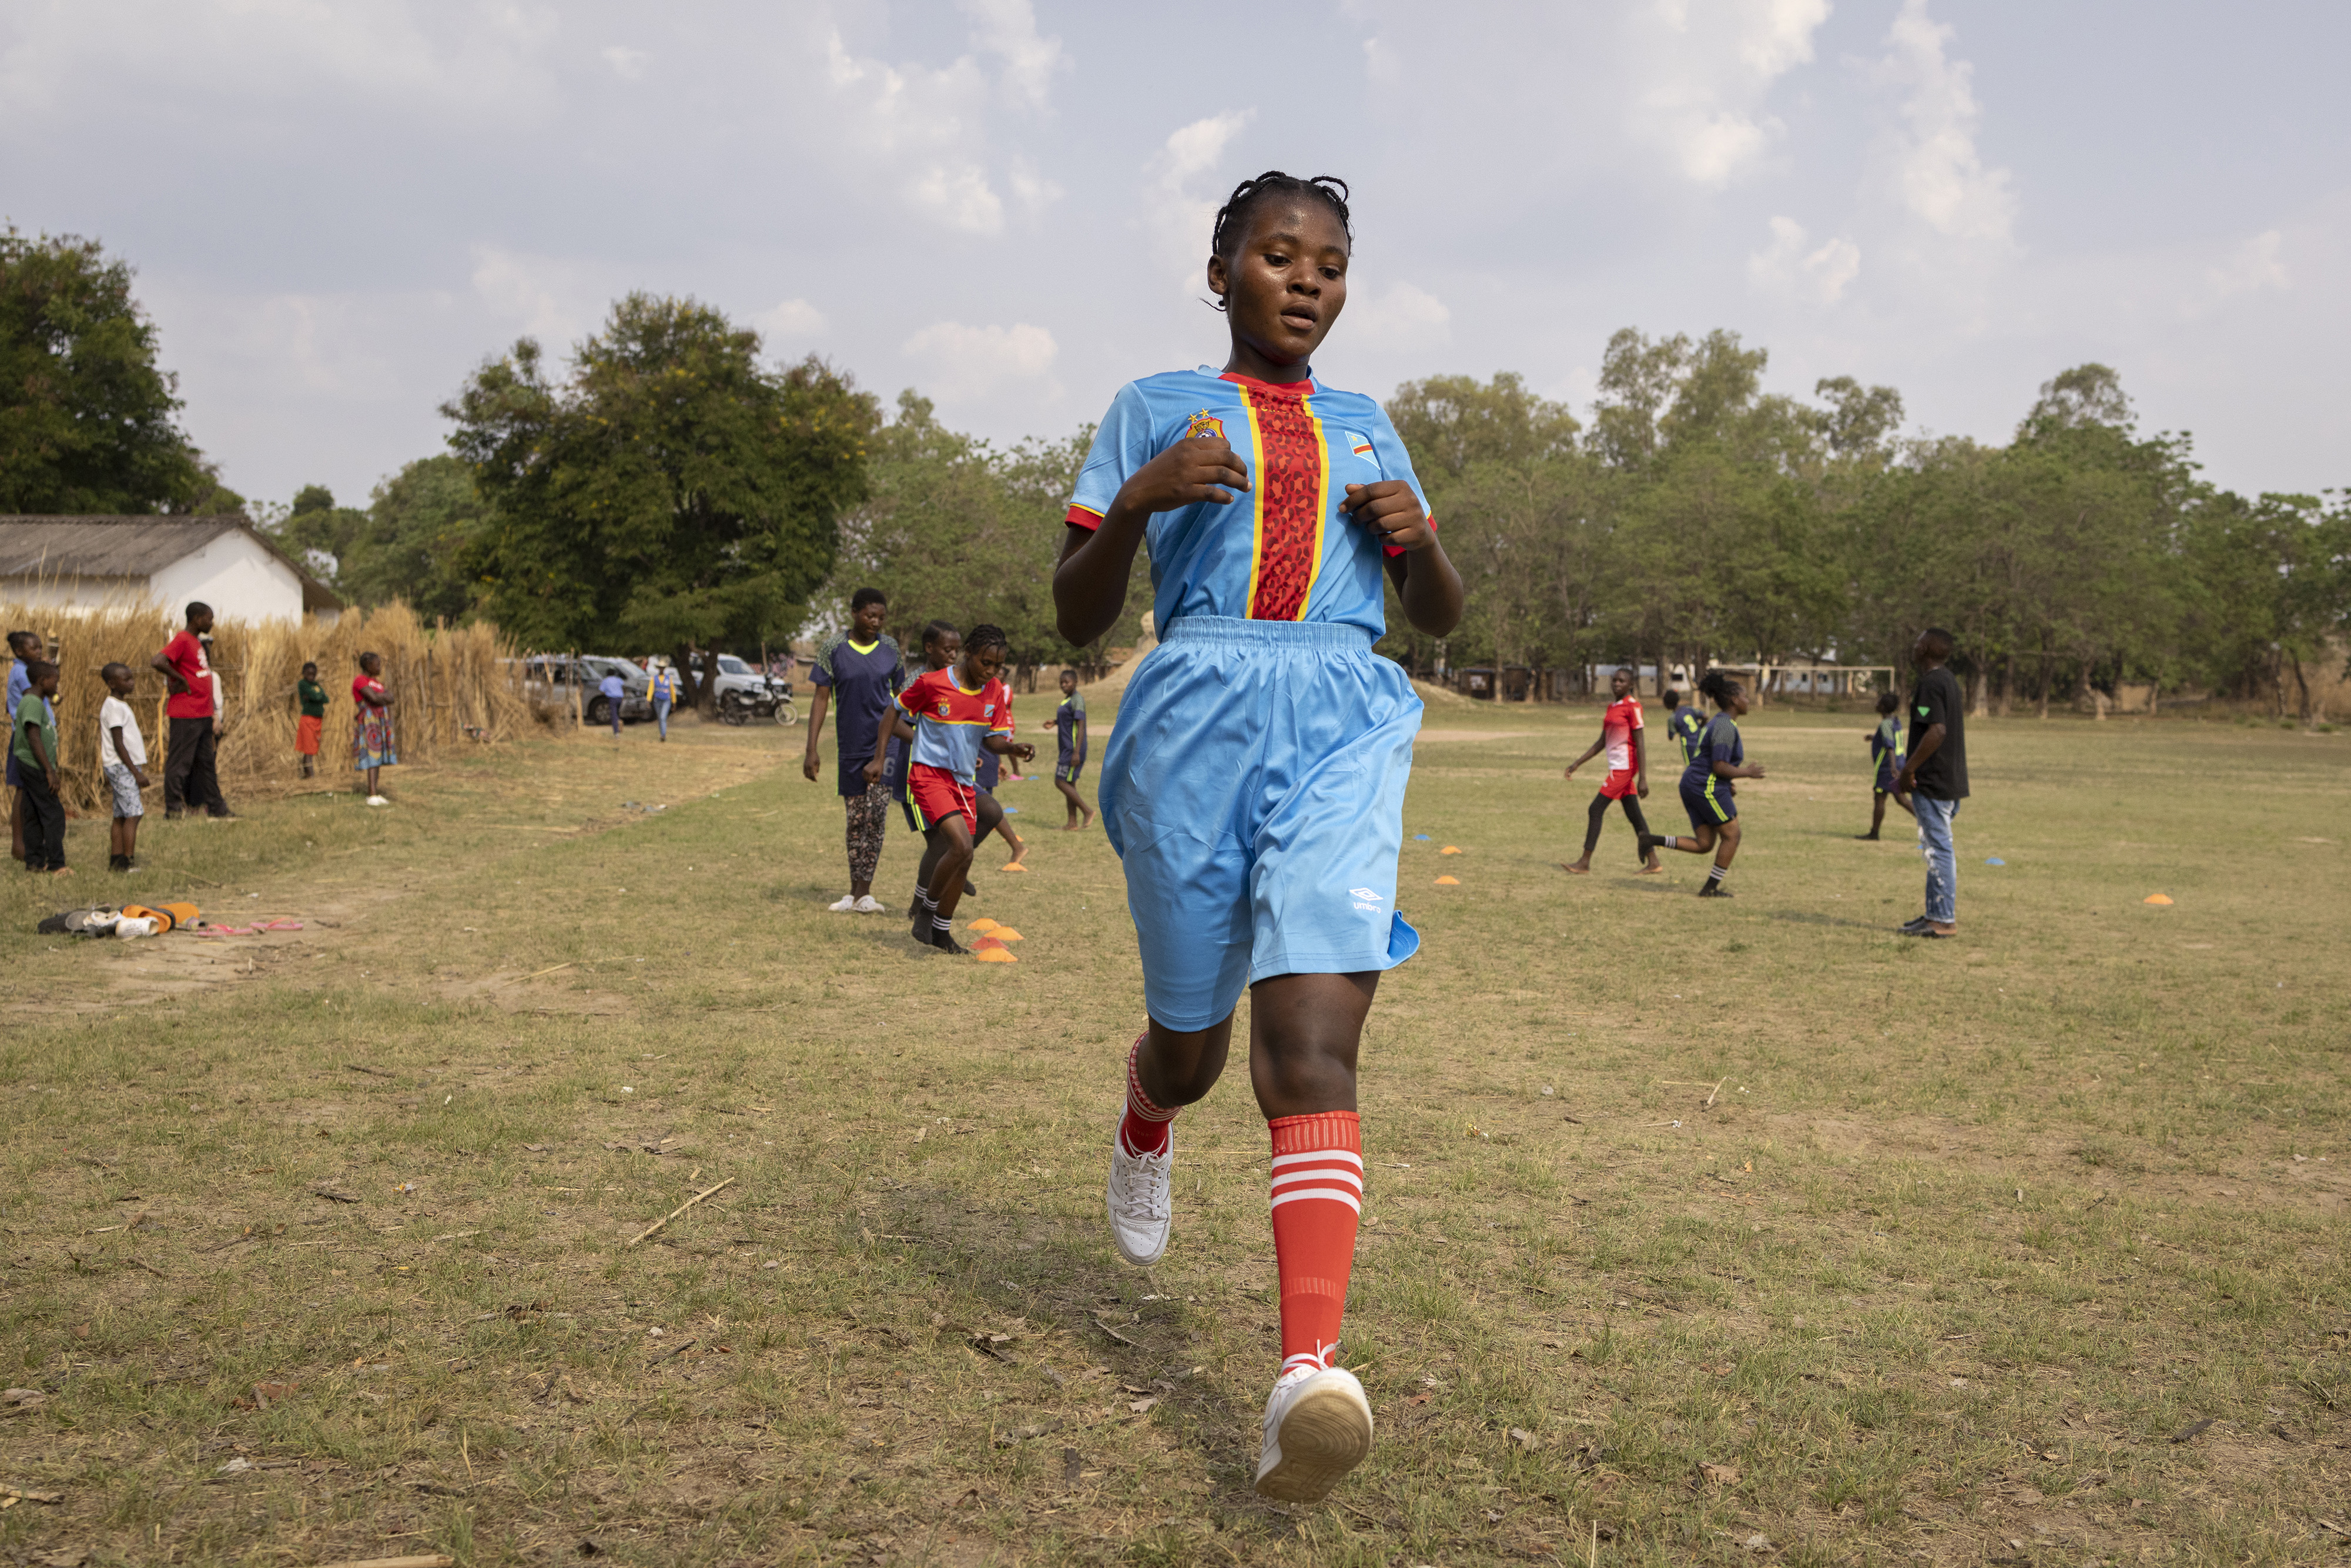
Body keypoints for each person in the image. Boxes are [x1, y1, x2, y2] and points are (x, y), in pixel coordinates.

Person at [1052, 172, 1464, 1504]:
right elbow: (1073, 614)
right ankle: (1143, 1114)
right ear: (1221, 269)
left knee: (1311, 1042)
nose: (1307, 281)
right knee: (1195, 1044)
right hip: (1191, 719)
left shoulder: (1369, 427)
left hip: (1344, 714)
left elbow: (1439, 618)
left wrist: (1418, 547)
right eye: (1279, 255)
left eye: (1329, 264)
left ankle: (1304, 1377)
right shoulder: (1150, 412)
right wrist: (1138, 502)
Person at [864, 623, 1033, 951]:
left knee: (964, 858)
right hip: (928, 776)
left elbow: (993, 739)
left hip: (962, 781)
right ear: (969, 652)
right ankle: (925, 912)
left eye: (998, 666)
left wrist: (1012, 748)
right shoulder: (932, 683)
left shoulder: (994, 691)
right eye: (986, 662)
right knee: (960, 847)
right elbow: (892, 712)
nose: (992, 671)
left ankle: (941, 932)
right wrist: (878, 758)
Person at [805, 588, 905, 913]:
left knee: (876, 816)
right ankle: (853, 892)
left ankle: (865, 892)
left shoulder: (891, 649)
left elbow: (902, 700)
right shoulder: (833, 648)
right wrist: (812, 749)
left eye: (880, 617)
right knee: (856, 819)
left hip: (885, 746)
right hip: (850, 746)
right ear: (854, 613)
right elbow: (821, 697)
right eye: (869, 615)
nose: (875, 622)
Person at [1641, 668, 1765, 897]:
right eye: (1745, 696)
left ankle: (1651, 840)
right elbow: (1718, 766)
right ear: (1735, 700)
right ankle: (1710, 890)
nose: (1748, 701)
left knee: (1705, 844)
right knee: (1733, 835)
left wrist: (1730, 782)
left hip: (1693, 783)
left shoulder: (1719, 722)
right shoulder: (1725, 725)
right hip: (1704, 786)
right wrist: (1746, 773)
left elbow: (1712, 762)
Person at [1895, 628, 1968, 937]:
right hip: (1949, 779)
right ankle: (1934, 914)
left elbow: (1936, 731)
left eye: (1917, 642)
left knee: (1939, 849)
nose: (1913, 647)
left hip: (1933, 780)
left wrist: (1908, 770)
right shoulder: (1949, 681)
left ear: (1925, 648)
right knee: (1933, 847)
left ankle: (1943, 919)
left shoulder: (1930, 683)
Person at [1559, 666, 1662, 876]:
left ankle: (1584, 862)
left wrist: (1643, 778)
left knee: (1595, 809)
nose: (1616, 684)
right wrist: (1578, 762)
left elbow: (1640, 743)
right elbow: (1602, 741)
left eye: (1622, 681)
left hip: (1625, 768)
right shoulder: (1612, 707)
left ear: (1631, 684)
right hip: (1617, 767)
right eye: (1614, 680)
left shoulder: (1633, 707)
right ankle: (1653, 862)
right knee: (1634, 815)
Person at [151, 602, 233, 819]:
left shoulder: (196, 642)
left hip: (202, 713)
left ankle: (217, 807)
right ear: (196, 619)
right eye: (209, 618)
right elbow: (158, 661)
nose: (212, 623)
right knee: (179, 763)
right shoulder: (182, 639)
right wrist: (180, 679)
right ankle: (173, 809)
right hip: (186, 713)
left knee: (206, 764)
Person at [12, 659, 67, 875]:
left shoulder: (33, 701)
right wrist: (49, 770)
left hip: (31, 765)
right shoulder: (33, 703)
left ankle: (35, 862)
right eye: (55, 682)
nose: (57, 686)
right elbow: (34, 737)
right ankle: (56, 864)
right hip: (35, 765)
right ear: (43, 681)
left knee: (34, 814)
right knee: (54, 815)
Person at [99, 662, 151, 872]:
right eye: (126, 679)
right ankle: (128, 862)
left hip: (122, 766)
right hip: (122, 767)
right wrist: (136, 773)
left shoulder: (119, 705)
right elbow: (118, 743)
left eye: (132, 678)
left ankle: (117, 861)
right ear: (112, 683)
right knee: (134, 814)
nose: (132, 682)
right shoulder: (113, 707)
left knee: (121, 815)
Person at [1859, 689, 1914, 841]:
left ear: (1883, 707)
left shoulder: (1885, 724)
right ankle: (1929, 827)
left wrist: (1893, 768)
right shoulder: (1895, 721)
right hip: (1898, 766)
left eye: (1879, 702)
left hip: (1888, 770)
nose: (1876, 704)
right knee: (1900, 799)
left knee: (1880, 798)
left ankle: (1874, 833)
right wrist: (1874, 737)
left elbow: (1890, 746)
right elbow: (1890, 738)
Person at [973, 724, 1029, 872]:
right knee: (984, 809)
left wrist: (999, 761)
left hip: (982, 760)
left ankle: (1017, 846)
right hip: (980, 759)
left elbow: (992, 736)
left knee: (986, 809)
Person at [6, 629, 39, 863]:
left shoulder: (26, 670)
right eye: (34, 648)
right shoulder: (20, 672)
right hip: (24, 736)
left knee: (29, 789)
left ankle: (30, 841)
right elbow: (33, 695)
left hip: (33, 734)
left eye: (40, 647)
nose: (39, 651)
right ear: (19, 651)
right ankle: (18, 844)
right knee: (21, 788)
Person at [1051, 668, 1094, 830]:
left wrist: (1076, 752)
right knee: (1070, 784)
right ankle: (1072, 823)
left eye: (1067, 682)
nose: (1063, 685)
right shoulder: (1067, 700)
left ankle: (1088, 811)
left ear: (1075, 682)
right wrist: (1055, 722)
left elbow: (1080, 726)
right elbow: (1068, 720)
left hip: (1073, 750)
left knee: (1060, 781)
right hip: (1066, 749)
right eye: (1061, 682)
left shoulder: (1077, 700)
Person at [352, 652, 397, 806]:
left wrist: (381, 697)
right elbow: (375, 698)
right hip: (369, 720)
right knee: (372, 754)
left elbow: (391, 698)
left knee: (378, 756)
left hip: (380, 720)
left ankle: (375, 793)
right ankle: (372, 794)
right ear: (368, 665)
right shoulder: (360, 680)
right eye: (377, 664)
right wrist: (381, 697)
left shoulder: (376, 682)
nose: (379, 667)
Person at [296, 661, 328, 778]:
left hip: (317, 720)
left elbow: (325, 698)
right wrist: (317, 696)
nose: (311, 677)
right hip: (308, 719)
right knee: (309, 748)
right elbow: (318, 696)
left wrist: (316, 696)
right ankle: (311, 775)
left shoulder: (316, 685)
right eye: (309, 674)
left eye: (313, 674)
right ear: (304, 673)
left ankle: (307, 774)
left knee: (311, 747)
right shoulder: (303, 684)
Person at [1659, 686, 1704, 770]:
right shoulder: (1689, 709)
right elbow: (1705, 716)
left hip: (1688, 744)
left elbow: (1671, 737)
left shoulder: (1672, 718)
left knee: (1691, 767)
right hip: (1701, 740)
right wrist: (1701, 727)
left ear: (1667, 704)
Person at [649, 661, 679, 742]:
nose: (661, 669)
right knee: (660, 718)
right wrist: (648, 700)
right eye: (660, 667)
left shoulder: (668, 678)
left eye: (663, 667)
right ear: (658, 668)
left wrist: (674, 702)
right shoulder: (654, 678)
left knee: (663, 717)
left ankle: (663, 735)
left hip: (666, 700)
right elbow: (651, 689)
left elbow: (672, 690)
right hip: (657, 700)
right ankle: (661, 734)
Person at [597, 666, 624, 736]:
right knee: (617, 714)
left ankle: (616, 732)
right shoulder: (618, 679)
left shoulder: (606, 681)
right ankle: (620, 725)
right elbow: (623, 686)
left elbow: (601, 690)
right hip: (620, 698)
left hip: (612, 699)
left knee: (614, 715)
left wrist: (607, 692)